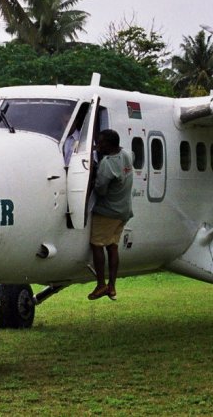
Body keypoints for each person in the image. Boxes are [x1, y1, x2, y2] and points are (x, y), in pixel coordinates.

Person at [87, 129, 134, 301]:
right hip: (124, 211)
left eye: (101, 142)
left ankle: (101, 284)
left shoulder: (107, 163)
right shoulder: (126, 155)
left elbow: (101, 189)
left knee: (97, 245)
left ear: (109, 144)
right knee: (112, 247)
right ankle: (112, 286)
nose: (98, 146)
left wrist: (94, 178)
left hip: (108, 212)